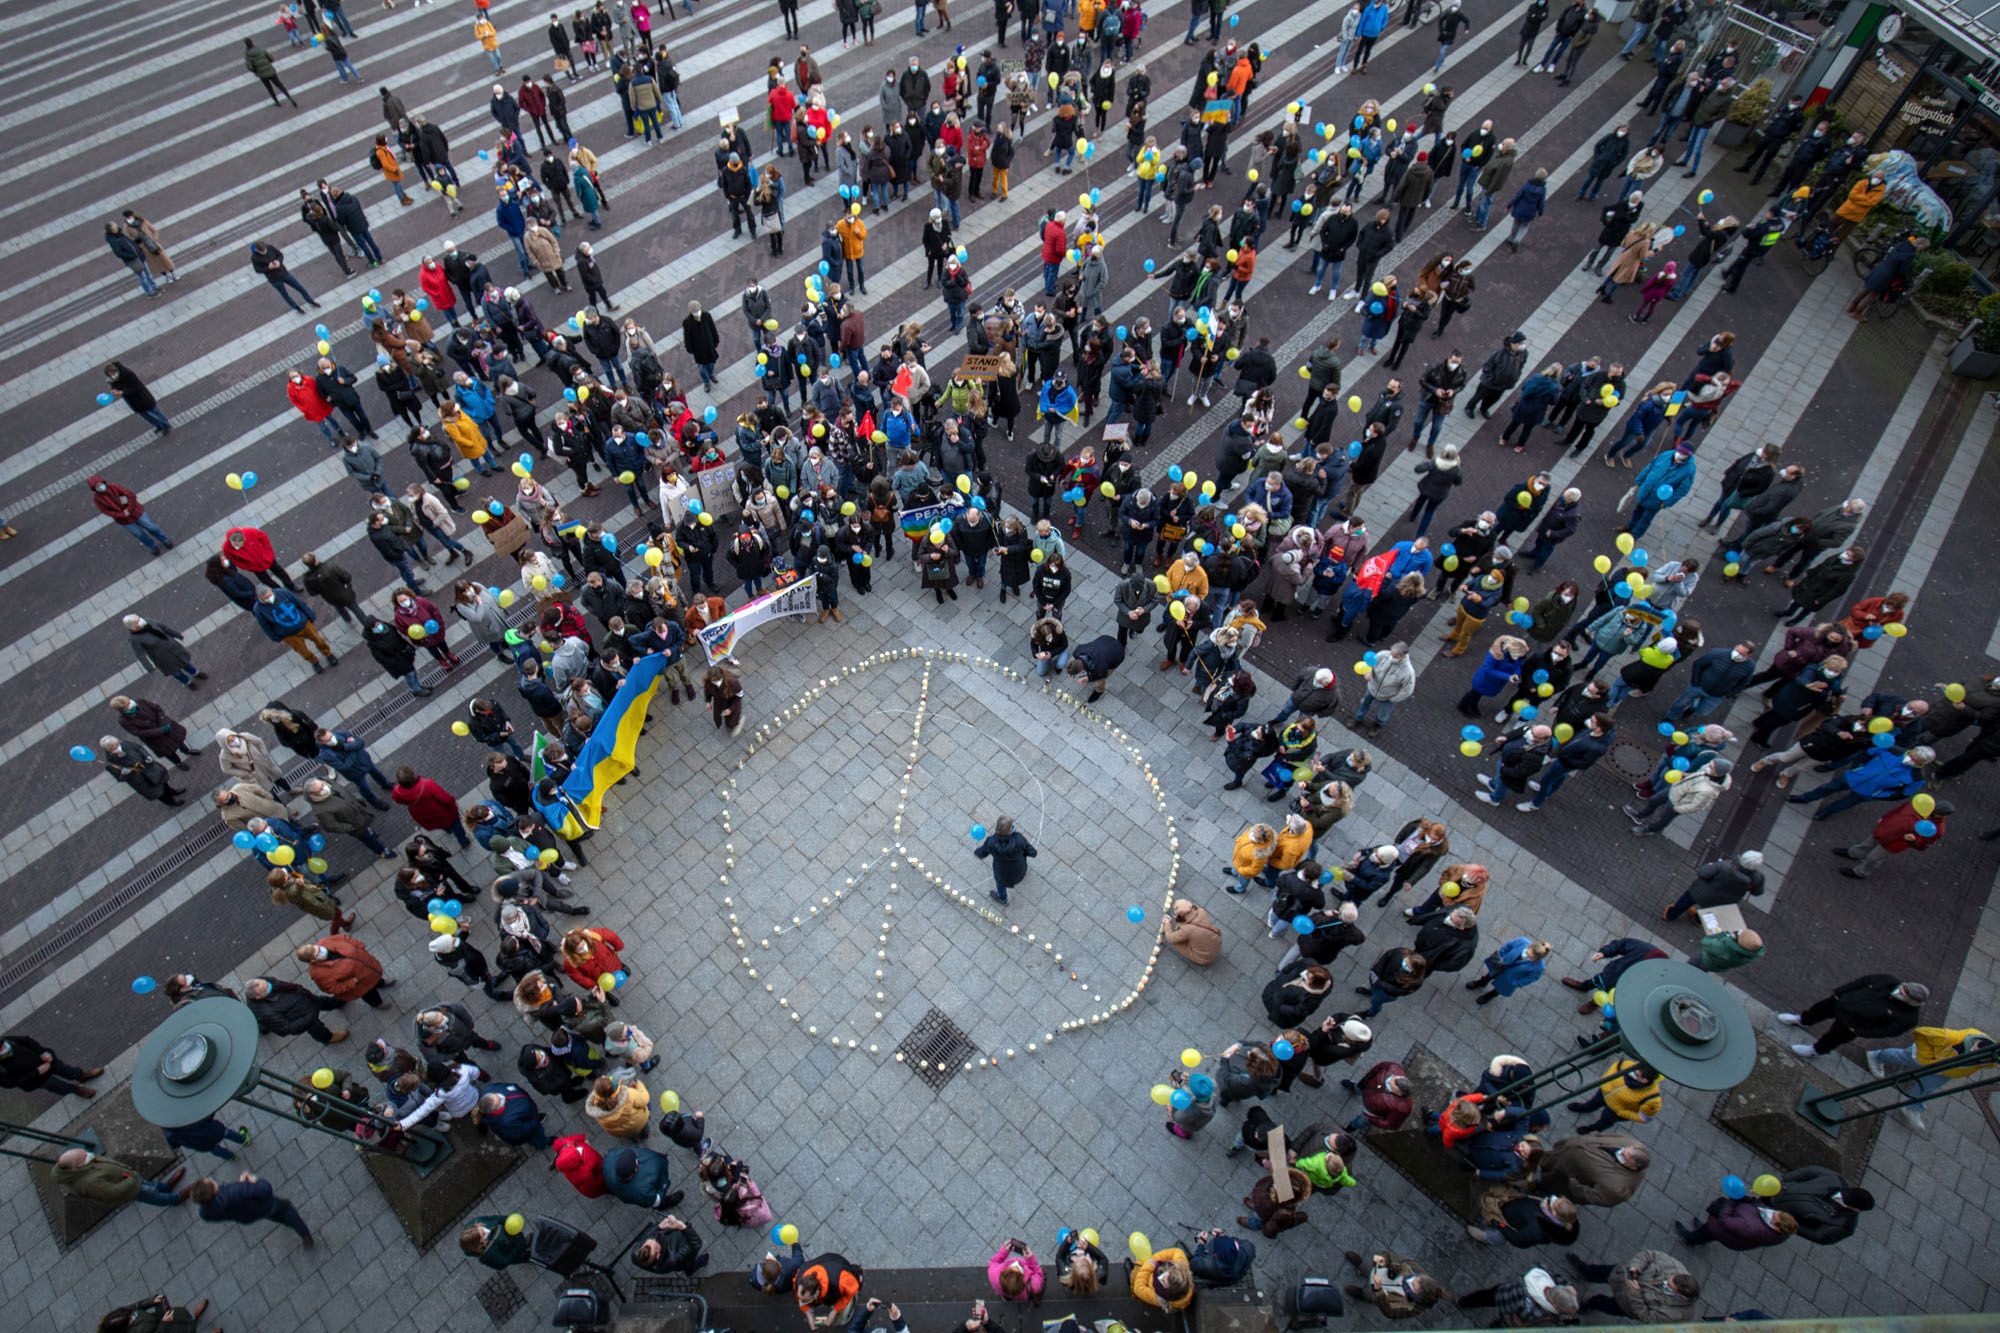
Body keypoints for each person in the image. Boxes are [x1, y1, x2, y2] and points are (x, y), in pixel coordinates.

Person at [1778, 975, 1927, 1058]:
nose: (1898, 991)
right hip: (1842, 1003)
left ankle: (1815, 1050)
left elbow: (1887, 1031)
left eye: (1903, 993)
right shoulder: (1889, 981)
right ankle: (1802, 1020)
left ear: (1913, 1001)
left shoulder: (1908, 1018)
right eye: (1901, 988)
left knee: (1833, 1038)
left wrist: (1858, 1031)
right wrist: (1838, 994)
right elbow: (1861, 982)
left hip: (1852, 1024)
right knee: (1818, 1010)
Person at [1564, 1252, 1699, 1321]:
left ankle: (1588, 1305)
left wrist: (1635, 1293)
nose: (1666, 1280)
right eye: (1670, 1278)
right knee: (1599, 1271)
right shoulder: (1676, 1268)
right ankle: (1585, 1271)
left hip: (1626, 1304)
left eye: (1669, 1285)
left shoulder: (1675, 1314)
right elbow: (1649, 1255)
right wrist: (1635, 1267)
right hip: (1622, 1274)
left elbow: (1647, 1317)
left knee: (1602, 1303)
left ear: (1679, 1295)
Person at [189, 1173, 315, 1246]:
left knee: (271, 1214)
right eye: (210, 1181)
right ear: (214, 1189)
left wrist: (242, 1187)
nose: (212, 1180)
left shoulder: (205, 1213)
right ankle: (304, 1234)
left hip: (248, 1216)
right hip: (264, 1204)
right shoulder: (236, 1190)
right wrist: (252, 1181)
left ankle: (286, 1222)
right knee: (286, 1208)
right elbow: (265, 1189)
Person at [1537, 1135, 1649, 1208]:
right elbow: (1606, 1136)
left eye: (1624, 1156)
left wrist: (1573, 1183)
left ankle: (1542, 1190)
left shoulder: (1617, 1189)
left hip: (1562, 1179)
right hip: (1564, 1153)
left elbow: (1590, 1196)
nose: (1619, 1152)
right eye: (1623, 1150)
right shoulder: (1635, 1144)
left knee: (1548, 1185)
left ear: (1632, 1168)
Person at [54, 1149, 185, 1209]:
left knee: (148, 1185)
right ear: (76, 1167)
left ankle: (166, 1187)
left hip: (128, 1176)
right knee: (150, 1195)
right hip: (130, 1187)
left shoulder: (75, 1166)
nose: (88, 1155)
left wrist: (129, 1175)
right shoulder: (89, 1184)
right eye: (85, 1157)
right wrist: (130, 1179)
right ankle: (174, 1199)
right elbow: (114, 1191)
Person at [974, 817, 1038, 905]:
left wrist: (977, 851)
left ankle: (1003, 899)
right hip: (1020, 871)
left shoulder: (991, 842)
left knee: (1000, 885)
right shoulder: (1019, 839)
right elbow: (1032, 852)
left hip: (1002, 874)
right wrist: (1032, 853)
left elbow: (982, 853)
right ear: (1010, 830)